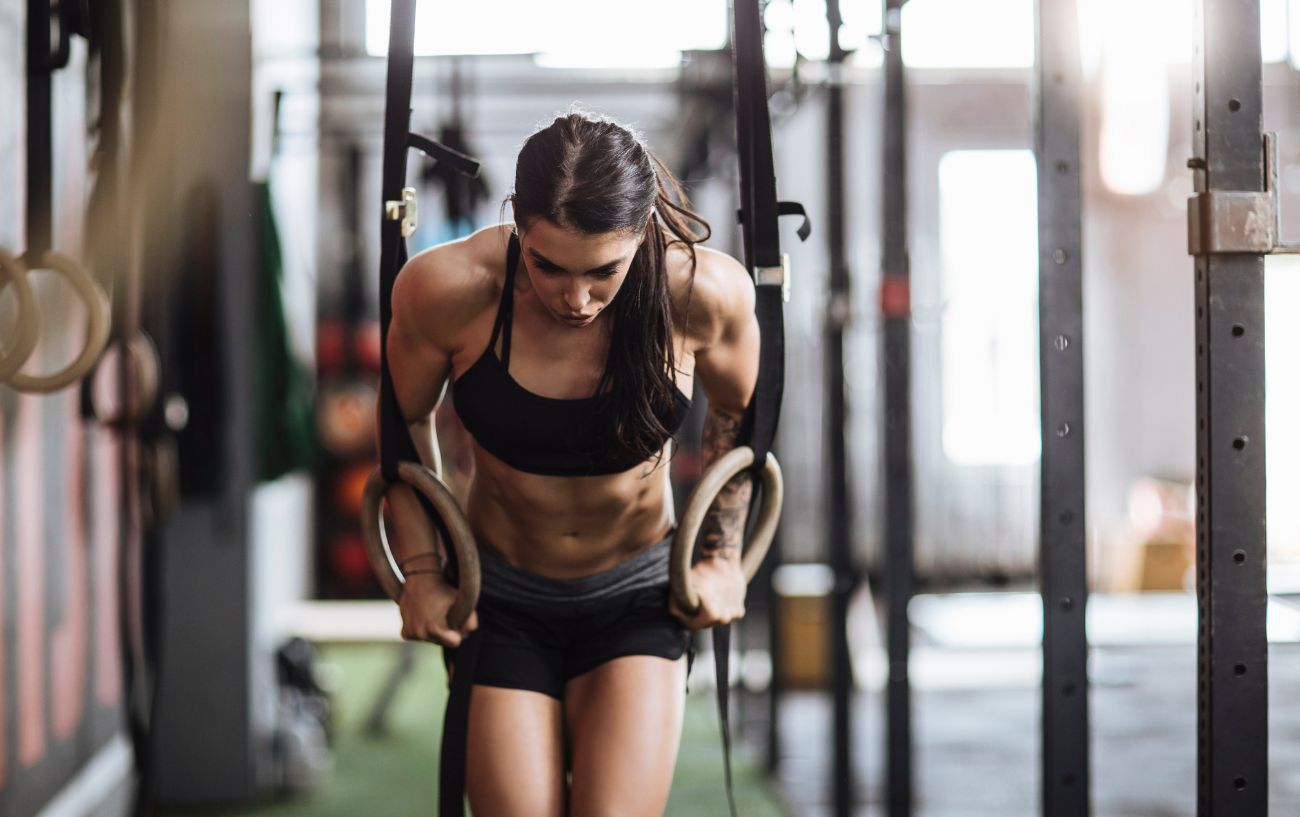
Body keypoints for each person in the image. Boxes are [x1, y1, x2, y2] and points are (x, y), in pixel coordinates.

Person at [382, 110, 760, 817]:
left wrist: (722, 553)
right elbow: (400, 420)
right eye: (547, 264)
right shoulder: (448, 289)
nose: (575, 298)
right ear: (518, 224)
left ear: (645, 228)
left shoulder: (702, 294)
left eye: (603, 271)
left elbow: (740, 421)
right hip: (498, 598)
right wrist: (424, 571)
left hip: (639, 595)